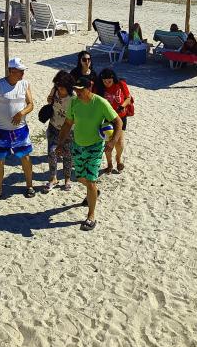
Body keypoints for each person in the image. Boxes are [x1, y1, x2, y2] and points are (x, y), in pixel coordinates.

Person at [57, 76, 121, 231]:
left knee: (91, 181)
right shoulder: (74, 102)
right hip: (78, 145)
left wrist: (112, 142)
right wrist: (60, 143)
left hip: (95, 147)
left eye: (80, 90)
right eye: (76, 90)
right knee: (80, 178)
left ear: (89, 88)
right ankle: (94, 192)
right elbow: (68, 123)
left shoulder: (100, 103)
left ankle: (91, 216)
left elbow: (118, 121)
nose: (77, 92)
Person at [0, 57, 36, 202]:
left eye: (23, 71)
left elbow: (31, 104)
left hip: (20, 130)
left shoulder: (25, 84)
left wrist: (21, 113)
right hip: (1, 131)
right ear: (11, 71)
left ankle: (29, 186)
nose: (23, 73)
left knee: (25, 158)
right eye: (20, 71)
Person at [43, 70, 75, 193]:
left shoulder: (73, 97)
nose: (59, 88)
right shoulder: (55, 89)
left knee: (67, 155)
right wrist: (49, 99)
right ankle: (53, 178)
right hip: (53, 126)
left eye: (62, 86)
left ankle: (67, 179)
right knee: (52, 153)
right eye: (57, 85)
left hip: (68, 130)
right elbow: (49, 101)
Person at [98, 68, 133, 174]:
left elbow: (128, 98)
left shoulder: (121, 84)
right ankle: (109, 164)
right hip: (107, 118)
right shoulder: (100, 88)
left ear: (113, 78)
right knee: (108, 143)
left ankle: (118, 159)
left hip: (121, 117)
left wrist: (122, 106)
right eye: (104, 81)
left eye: (109, 81)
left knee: (120, 142)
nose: (107, 84)